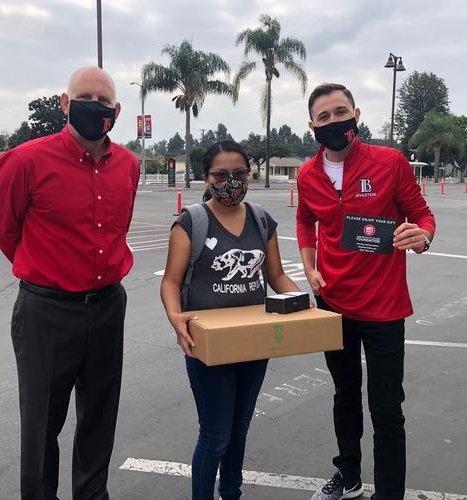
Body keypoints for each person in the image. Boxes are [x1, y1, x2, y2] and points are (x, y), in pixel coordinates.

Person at [0, 67, 140, 500]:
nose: (94, 106)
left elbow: (119, 228)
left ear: (116, 110)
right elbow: (5, 230)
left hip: (108, 305)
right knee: (41, 423)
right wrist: (48, 269)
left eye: (103, 100)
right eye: (84, 96)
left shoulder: (128, 166)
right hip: (46, 311)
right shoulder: (23, 161)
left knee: (99, 416)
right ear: (64, 103)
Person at [296, 83, 436, 500]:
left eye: (341, 112)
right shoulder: (307, 174)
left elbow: (423, 215)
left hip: (384, 308)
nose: (334, 121)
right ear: (312, 126)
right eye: (324, 117)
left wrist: (422, 237)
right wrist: (309, 265)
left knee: (387, 409)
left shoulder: (390, 163)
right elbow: (306, 221)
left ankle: (389, 492)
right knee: (345, 395)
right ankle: (349, 475)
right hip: (334, 304)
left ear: (356, 114)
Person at [160, 140, 300, 500]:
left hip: (253, 342)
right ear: (206, 177)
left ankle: (232, 494)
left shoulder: (260, 220)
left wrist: (305, 305)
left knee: (238, 431)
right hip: (208, 344)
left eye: (239, 174)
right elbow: (171, 282)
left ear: (249, 174)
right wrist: (176, 318)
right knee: (215, 435)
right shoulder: (191, 223)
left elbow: (277, 276)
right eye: (221, 175)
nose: (231, 182)